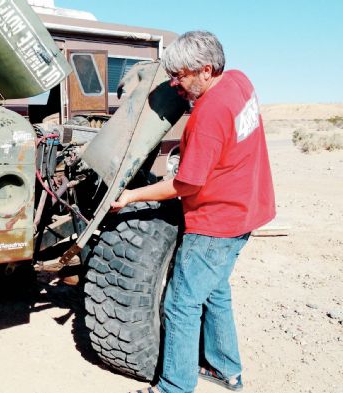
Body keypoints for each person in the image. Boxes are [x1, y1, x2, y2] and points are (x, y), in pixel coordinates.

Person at [111, 31, 275, 393]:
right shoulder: (238, 80)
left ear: (205, 70)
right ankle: (225, 369)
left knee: (181, 303)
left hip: (218, 221)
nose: (175, 84)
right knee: (215, 291)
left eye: (181, 76)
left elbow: (185, 184)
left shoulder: (209, 114)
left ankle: (174, 386)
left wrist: (131, 195)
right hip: (247, 207)